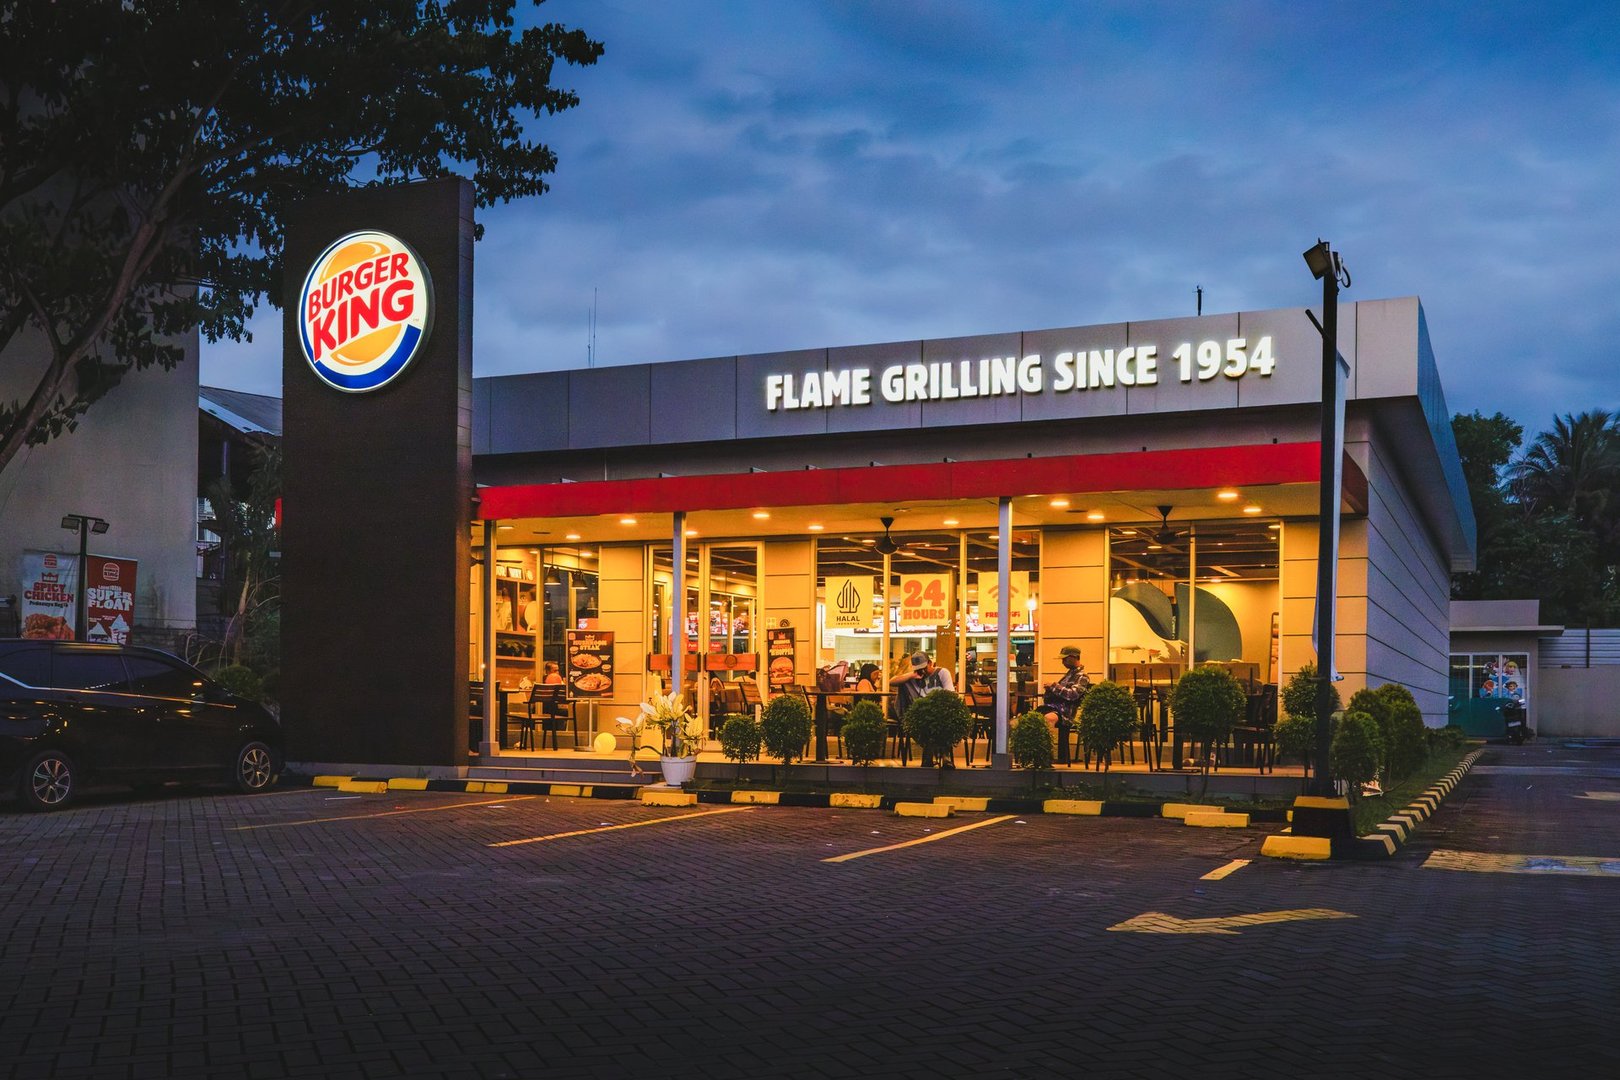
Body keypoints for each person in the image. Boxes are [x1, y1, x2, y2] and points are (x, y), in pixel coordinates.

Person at [893, 652, 956, 767]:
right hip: (923, 716)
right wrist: (912, 675)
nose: (923, 671)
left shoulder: (942, 673)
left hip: (940, 712)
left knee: (937, 721)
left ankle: (931, 758)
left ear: (930, 663)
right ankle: (943, 756)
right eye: (919, 669)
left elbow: (950, 694)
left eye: (924, 668)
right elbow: (892, 681)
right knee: (928, 722)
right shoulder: (915, 678)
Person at [1042, 646, 1091, 765]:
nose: (1063, 661)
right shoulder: (1069, 675)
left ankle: (1046, 756)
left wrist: (1054, 686)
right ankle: (1036, 754)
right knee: (1032, 718)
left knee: (1048, 719)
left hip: (1065, 712)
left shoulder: (1082, 677)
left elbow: (1073, 695)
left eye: (1065, 658)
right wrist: (1050, 689)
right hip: (1054, 708)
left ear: (1074, 657)